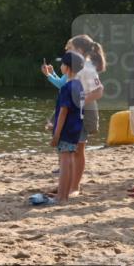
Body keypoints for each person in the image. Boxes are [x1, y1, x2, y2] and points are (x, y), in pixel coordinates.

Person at [42, 35, 105, 195]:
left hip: (83, 112)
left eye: (69, 48)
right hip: (71, 112)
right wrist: (50, 75)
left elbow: (99, 91)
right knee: (67, 149)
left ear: (79, 50)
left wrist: (80, 100)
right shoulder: (75, 67)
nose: (66, 52)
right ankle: (65, 185)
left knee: (78, 150)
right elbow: (64, 85)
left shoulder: (88, 68)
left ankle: (74, 187)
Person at [51, 51, 85, 203]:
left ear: (68, 67)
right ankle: (64, 194)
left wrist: (56, 135)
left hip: (65, 129)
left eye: (62, 64)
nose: (61, 66)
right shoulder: (80, 85)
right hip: (76, 129)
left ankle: (61, 196)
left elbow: (63, 112)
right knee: (70, 159)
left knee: (64, 162)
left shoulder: (66, 88)